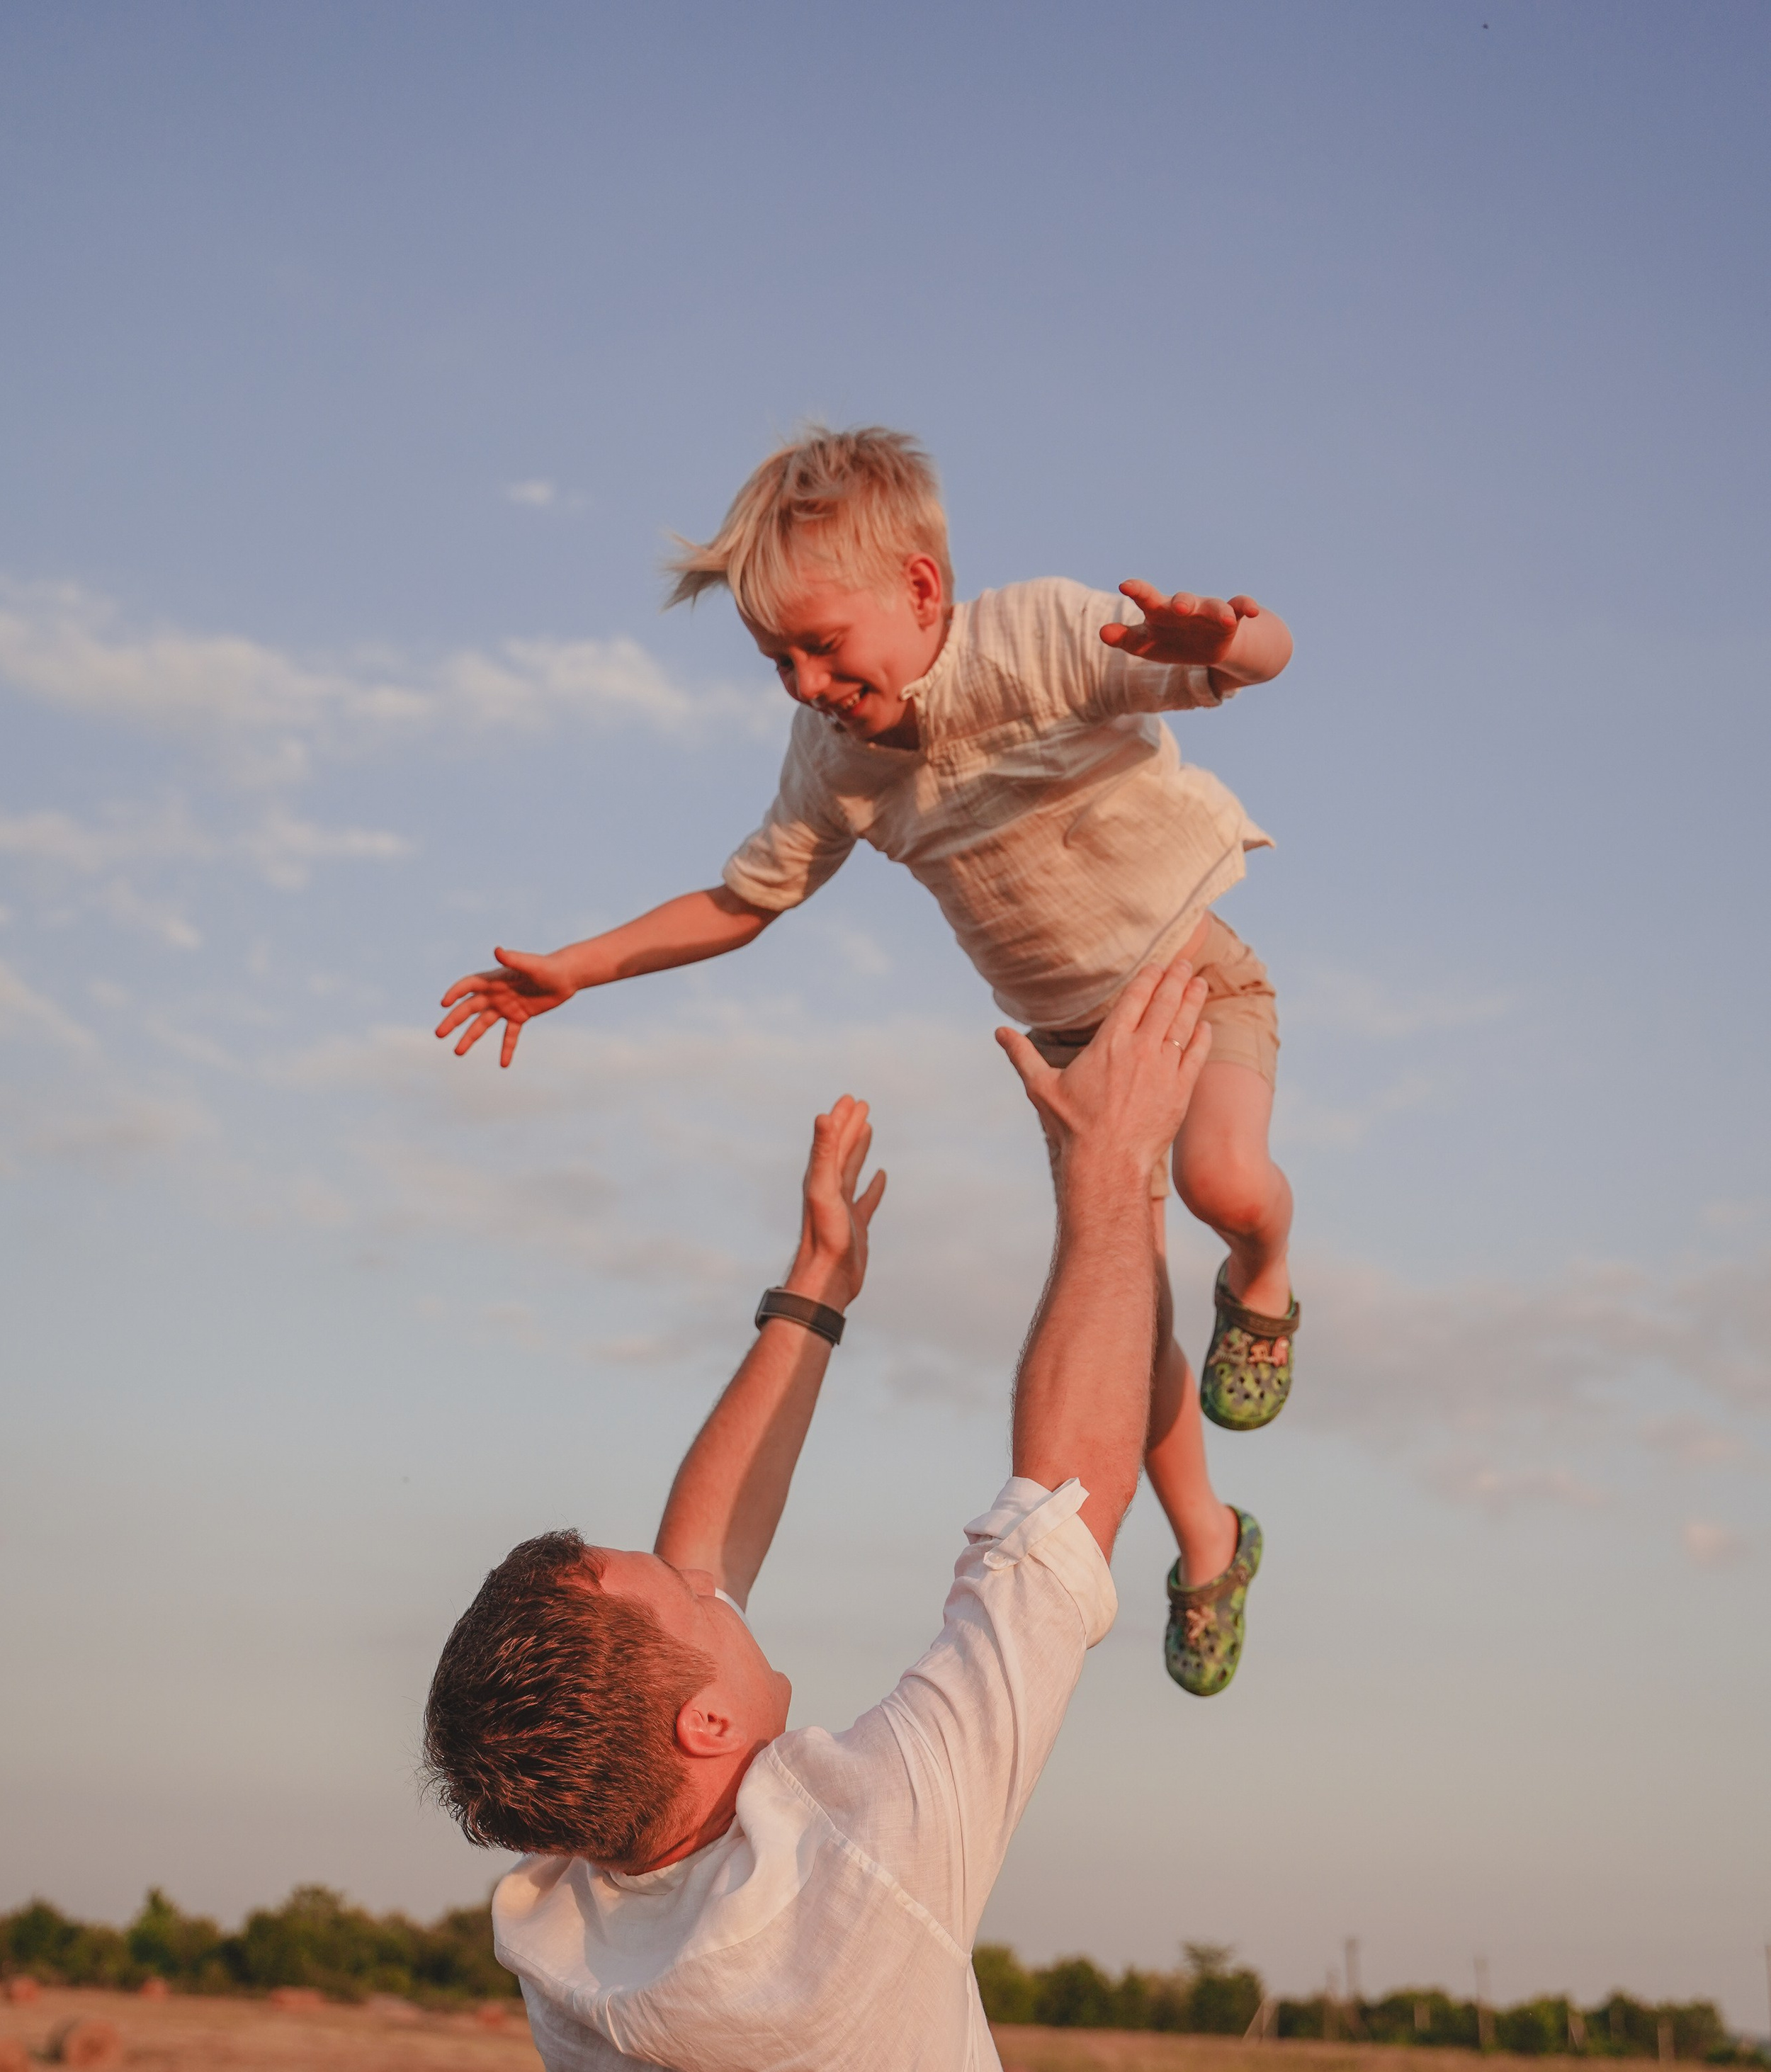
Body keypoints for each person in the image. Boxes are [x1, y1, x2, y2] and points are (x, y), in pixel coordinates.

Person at [421, 961, 1213, 2072]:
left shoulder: (563, 1919)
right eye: (666, 1596)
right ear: (703, 1730)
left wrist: (811, 1295)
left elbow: (695, 1565)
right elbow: (1061, 1501)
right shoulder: (868, 1868)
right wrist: (1109, 1185)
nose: (691, 1570)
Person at [435, 426, 1298, 1697]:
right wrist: (582, 965)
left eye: (822, 646)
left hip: (1194, 980)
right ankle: (1210, 1540)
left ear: (921, 589)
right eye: (777, 660)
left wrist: (1224, 639)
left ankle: (1265, 1279)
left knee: (1224, 1186)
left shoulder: (1045, 637)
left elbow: (1263, 660)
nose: (803, 682)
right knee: (1129, 1314)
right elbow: (744, 901)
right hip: (1074, 1055)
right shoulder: (836, 761)